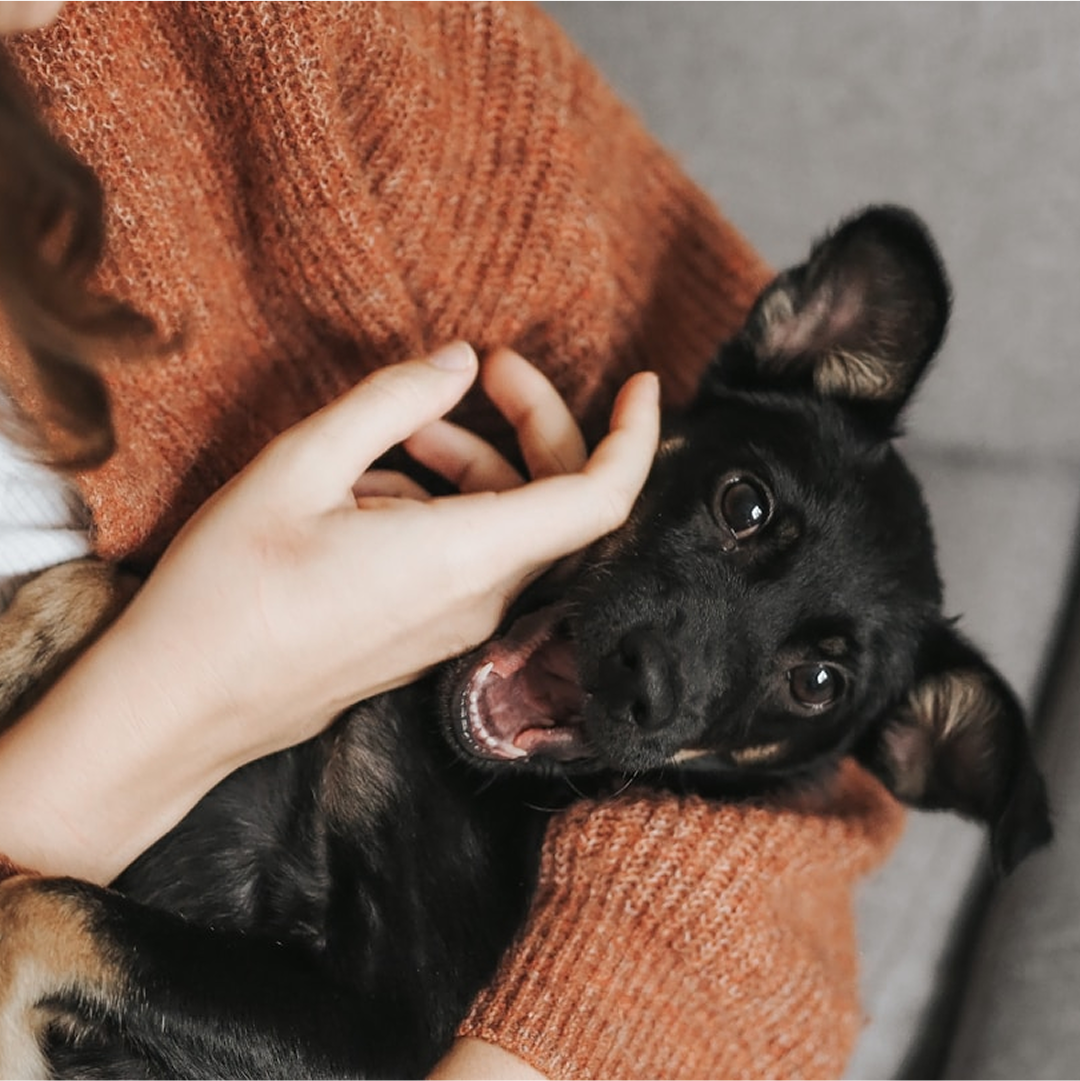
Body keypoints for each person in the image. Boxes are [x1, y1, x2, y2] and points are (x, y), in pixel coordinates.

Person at [0, 1, 905, 1077]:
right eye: (742, 516)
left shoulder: (332, 55)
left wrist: (533, 1046)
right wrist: (189, 683)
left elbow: (787, 846)